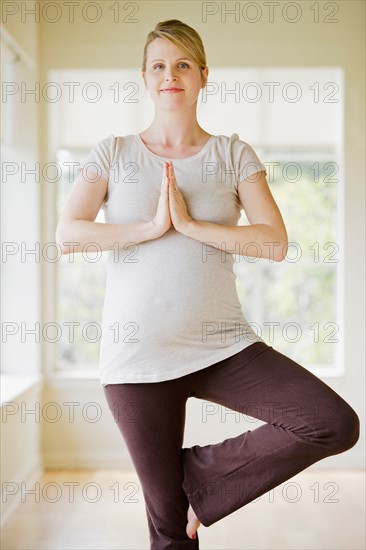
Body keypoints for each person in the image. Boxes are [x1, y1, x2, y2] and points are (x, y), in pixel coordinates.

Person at [56, 19, 360, 550]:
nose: (169, 75)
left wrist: (194, 226)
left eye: (182, 65)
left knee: (332, 423)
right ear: (145, 77)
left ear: (202, 76)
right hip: (136, 356)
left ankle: (199, 477)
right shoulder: (114, 152)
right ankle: (182, 491)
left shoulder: (232, 154)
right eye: (158, 65)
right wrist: (151, 228)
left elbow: (274, 242)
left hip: (224, 344)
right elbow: (68, 235)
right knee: (171, 532)